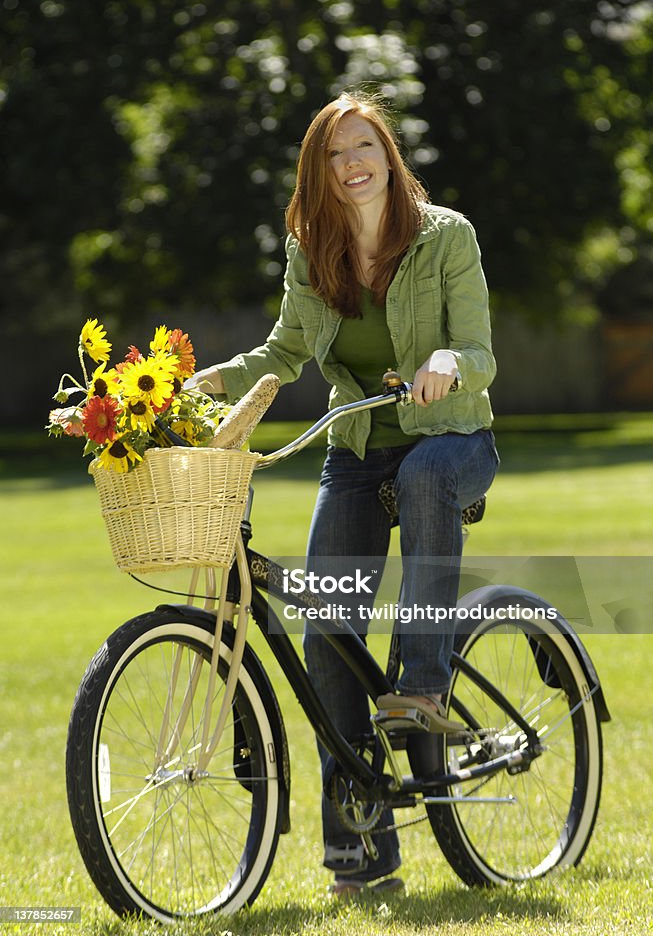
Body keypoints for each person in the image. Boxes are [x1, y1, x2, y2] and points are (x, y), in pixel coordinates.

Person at [186, 90, 499, 896]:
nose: (351, 164)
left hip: (450, 436)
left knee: (427, 478)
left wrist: (448, 364)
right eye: (334, 153)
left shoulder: (445, 237)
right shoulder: (312, 247)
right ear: (317, 171)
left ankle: (424, 683)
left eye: (364, 147)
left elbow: (479, 349)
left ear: (388, 157)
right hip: (359, 446)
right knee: (326, 635)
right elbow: (285, 352)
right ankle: (362, 852)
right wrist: (204, 384)